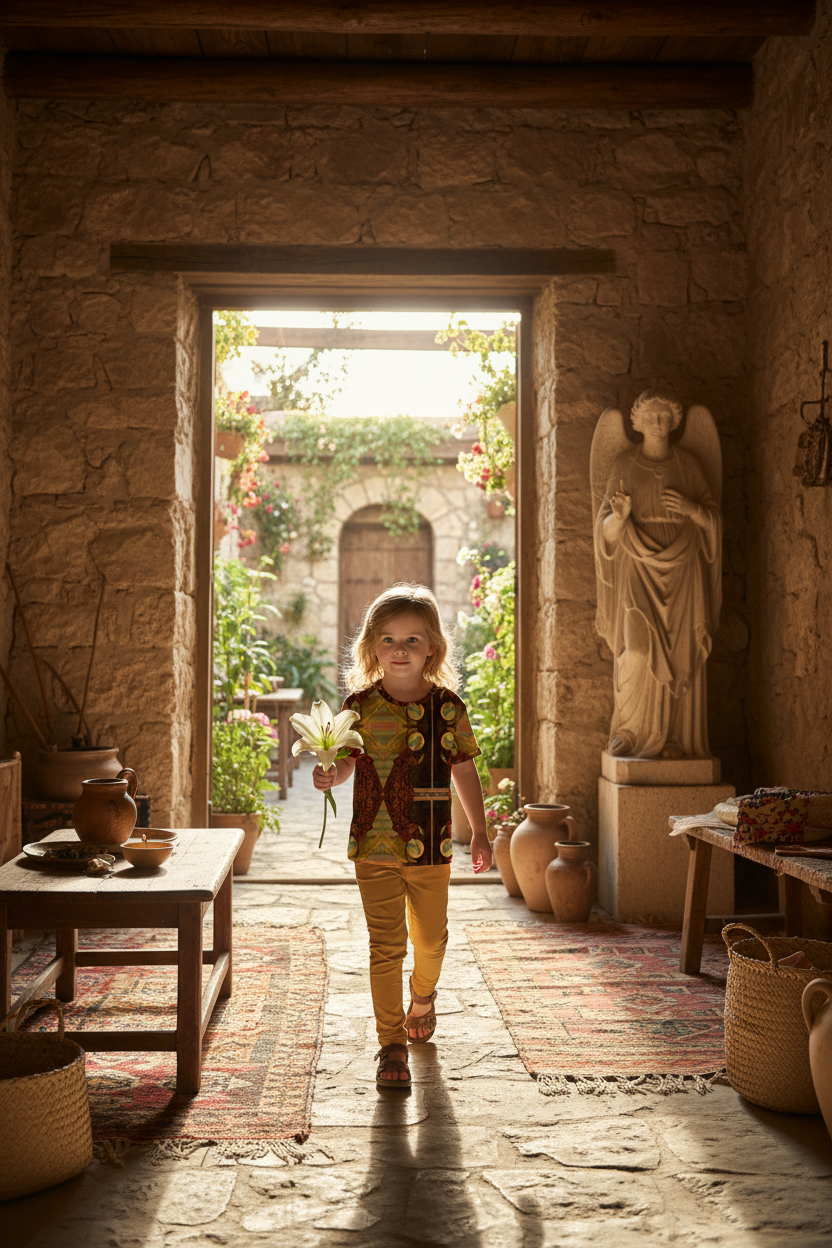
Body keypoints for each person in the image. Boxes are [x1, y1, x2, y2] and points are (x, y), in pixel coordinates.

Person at [313, 583, 491, 1087]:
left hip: (432, 842)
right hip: (373, 842)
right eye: (389, 639)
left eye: (413, 640)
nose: (400, 649)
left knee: (431, 939)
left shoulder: (448, 708)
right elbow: (349, 763)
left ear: (432, 646)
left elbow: (465, 770)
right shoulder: (359, 706)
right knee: (384, 946)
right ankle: (390, 1044)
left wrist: (479, 831)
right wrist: (330, 774)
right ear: (372, 646)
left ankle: (424, 995)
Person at [593, 389, 722, 759]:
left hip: (684, 569)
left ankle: (676, 739)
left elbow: (713, 521)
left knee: (683, 652)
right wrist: (618, 518)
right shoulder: (623, 465)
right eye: (650, 416)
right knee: (635, 649)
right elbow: (603, 529)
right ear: (636, 422)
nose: (658, 422)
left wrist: (691, 508)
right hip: (637, 567)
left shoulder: (690, 465)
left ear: (675, 421)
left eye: (664, 416)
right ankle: (632, 733)